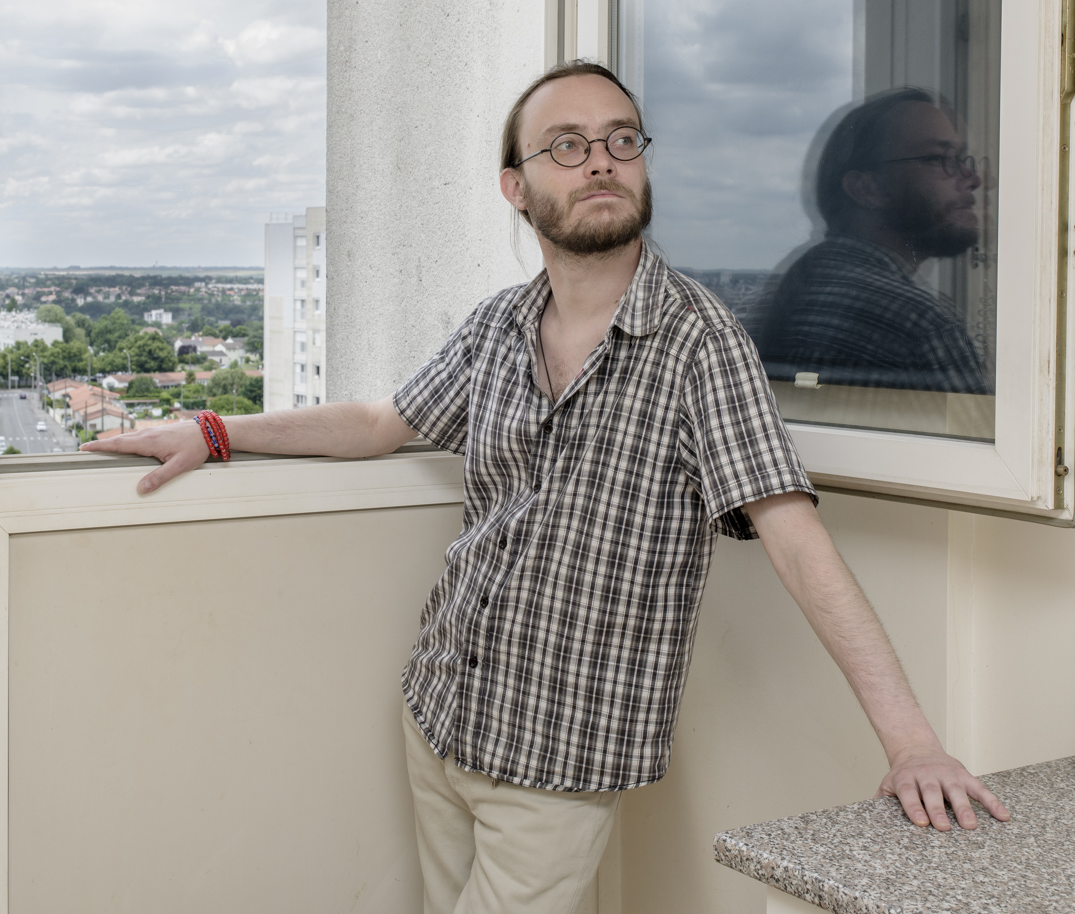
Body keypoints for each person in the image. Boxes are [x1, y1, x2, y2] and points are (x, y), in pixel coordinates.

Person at [83, 62, 1009, 914]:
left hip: (559, 751)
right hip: (442, 706)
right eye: (566, 145)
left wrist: (911, 743)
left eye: (620, 139)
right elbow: (380, 422)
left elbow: (793, 535)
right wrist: (216, 432)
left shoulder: (699, 341)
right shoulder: (499, 323)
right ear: (516, 188)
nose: (599, 160)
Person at [749, 87, 991, 395]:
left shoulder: (781, 296)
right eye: (938, 158)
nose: (974, 179)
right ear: (867, 188)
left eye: (960, 158)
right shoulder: (923, 328)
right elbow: (978, 428)